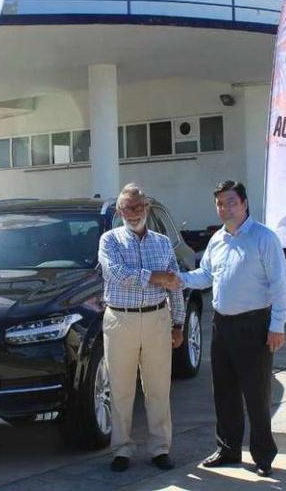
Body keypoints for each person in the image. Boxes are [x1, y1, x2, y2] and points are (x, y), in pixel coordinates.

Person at [160, 180, 286, 477]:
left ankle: (263, 455)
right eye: (220, 203)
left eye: (231, 202)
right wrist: (179, 279)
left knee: (256, 393)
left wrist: (277, 325)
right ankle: (228, 448)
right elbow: (206, 275)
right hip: (222, 325)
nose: (225, 208)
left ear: (244, 203)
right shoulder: (218, 240)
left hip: (255, 325)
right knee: (225, 391)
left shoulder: (264, 238)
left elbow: (280, 286)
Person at [97, 183, 185, 473]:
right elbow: (117, 274)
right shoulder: (109, 241)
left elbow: (175, 285)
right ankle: (121, 449)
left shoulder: (161, 242)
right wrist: (157, 277)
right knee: (121, 389)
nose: (133, 213)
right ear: (119, 211)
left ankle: (160, 448)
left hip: (157, 319)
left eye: (137, 207)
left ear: (146, 207)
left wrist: (178, 322)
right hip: (120, 319)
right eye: (126, 208)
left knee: (158, 388)